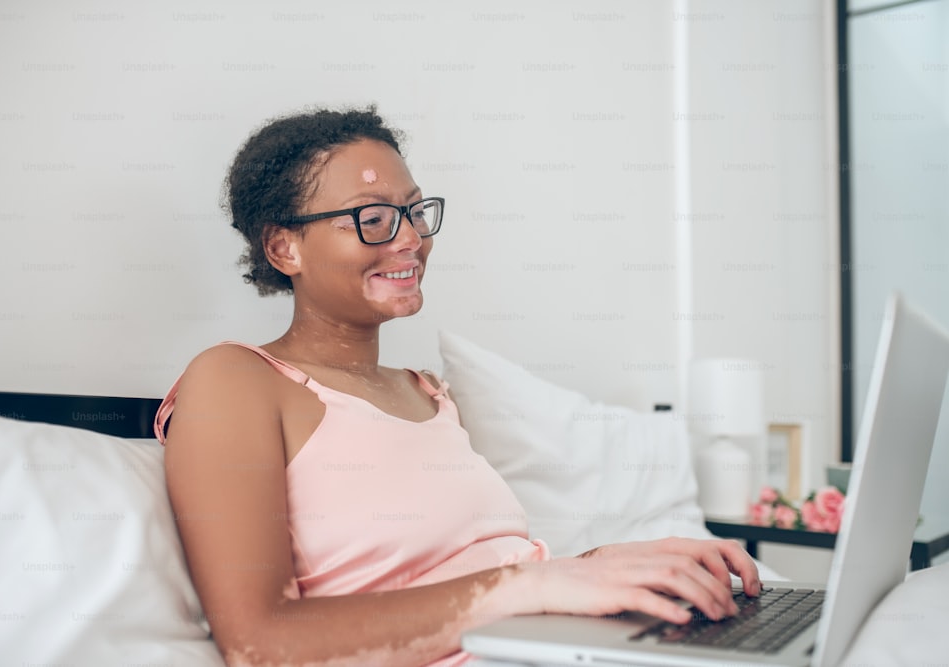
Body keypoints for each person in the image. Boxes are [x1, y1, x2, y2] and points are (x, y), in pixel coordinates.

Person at [155, 106, 762, 667]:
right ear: (284, 246)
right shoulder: (236, 380)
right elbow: (260, 641)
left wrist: (604, 567)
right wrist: (539, 585)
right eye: (372, 219)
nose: (411, 239)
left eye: (415, 211)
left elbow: (481, 573)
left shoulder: (428, 395)